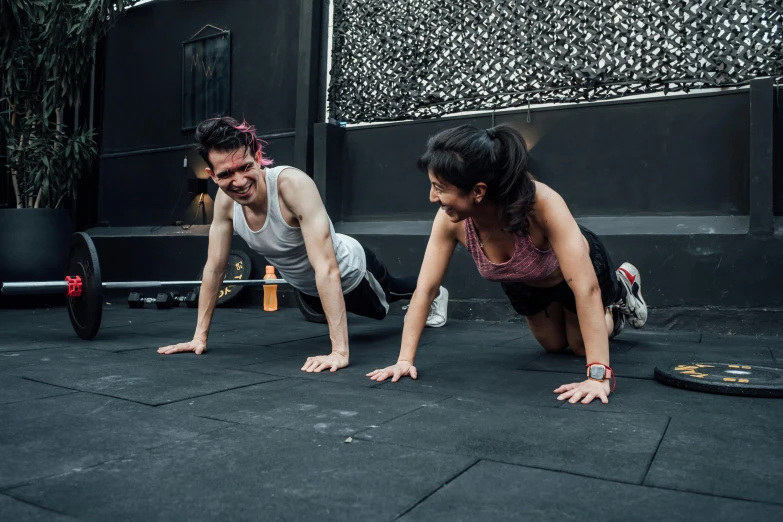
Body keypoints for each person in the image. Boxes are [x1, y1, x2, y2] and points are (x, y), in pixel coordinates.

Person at [367, 124, 647, 405]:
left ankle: (621, 293)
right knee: (552, 345)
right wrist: (404, 360)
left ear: (478, 191)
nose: (432, 197)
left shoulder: (541, 203)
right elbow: (426, 289)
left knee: (577, 346)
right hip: (524, 282)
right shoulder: (450, 221)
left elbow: (585, 289)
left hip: (570, 276)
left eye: (440, 188)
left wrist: (598, 377)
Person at [158, 117, 449, 371]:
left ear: (258, 156)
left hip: (351, 271)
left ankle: (436, 292)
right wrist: (199, 337)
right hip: (307, 288)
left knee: (386, 305)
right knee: (323, 314)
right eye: (225, 174)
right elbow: (214, 269)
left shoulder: (292, 186)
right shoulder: (224, 204)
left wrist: (339, 353)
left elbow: (326, 268)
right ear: (211, 175)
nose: (239, 181)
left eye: (245, 167)